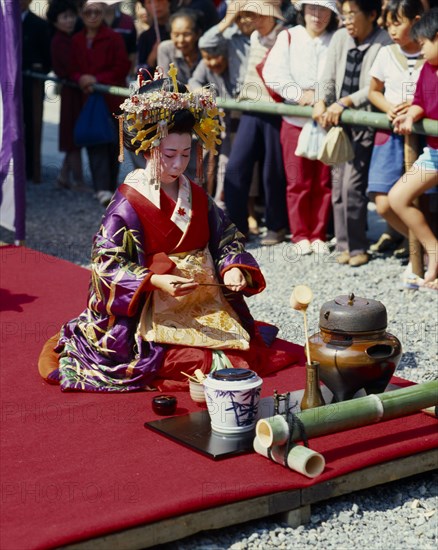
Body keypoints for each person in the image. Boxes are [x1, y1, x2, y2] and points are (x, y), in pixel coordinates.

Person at [38, 67, 299, 391]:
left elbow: (226, 240)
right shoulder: (128, 204)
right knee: (191, 360)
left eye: (187, 154)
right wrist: (155, 280)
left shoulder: (196, 194)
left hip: (203, 302)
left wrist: (233, 268)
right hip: (150, 305)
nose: (179, 165)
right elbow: (106, 266)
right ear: (147, 148)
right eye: (169, 154)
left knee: (238, 355)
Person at [312, 0, 392, 267]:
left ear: (371, 14)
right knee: (337, 187)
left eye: (351, 14)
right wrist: (322, 101)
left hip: (364, 122)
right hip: (337, 123)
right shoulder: (339, 37)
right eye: (343, 15)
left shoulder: (383, 42)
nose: (346, 20)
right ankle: (344, 244)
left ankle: (358, 246)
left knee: (353, 187)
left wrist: (345, 102)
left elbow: (373, 87)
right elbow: (328, 76)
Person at [262, 0, 339, 255]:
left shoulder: (336, 38)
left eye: (324, 9)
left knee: (324, 180)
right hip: (295, 119)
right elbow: (273, 72)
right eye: (312, 8)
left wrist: (324, 98)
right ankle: (300, 234)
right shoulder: (289, 36)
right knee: (298, 180)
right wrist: (298, 94)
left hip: (326, 119)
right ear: (303, 10)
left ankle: (318, 232)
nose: (317, 15)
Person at [223, 0, 289, 245]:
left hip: (276, 108)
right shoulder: (251, 38)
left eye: (255, 14)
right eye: (247, 14)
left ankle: (276, 226)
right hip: (250, 106)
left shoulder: (286, 36)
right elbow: (208, 42)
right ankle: (236, 227)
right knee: (235, 168)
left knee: (274, 171)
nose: (250, 20)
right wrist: (226, 20)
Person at [367, 0, 426, 257]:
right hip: (389, 134)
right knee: (383, 202)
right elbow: (373, 91)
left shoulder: (431, 53)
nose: (391, 30)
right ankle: (425, 248)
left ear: (416, 21)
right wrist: (388, 107)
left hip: (424, 136)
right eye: (388, 23)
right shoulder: (386, 53)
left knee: (426, 202)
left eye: (397, 23)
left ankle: (423, 254)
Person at [389, 8, 438, 289]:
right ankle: (433, 249)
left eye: (423, 45)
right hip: (433, 151)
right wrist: (410, 116)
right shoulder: (427, 69)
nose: (420, 51)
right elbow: (419, 100)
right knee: (397, 198)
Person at [69, 0, 131, 206]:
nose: (93, 16)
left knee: (113, 144)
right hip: (88, 100)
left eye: (97, 12)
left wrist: (97, 79)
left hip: (112, 100)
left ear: (104, 13)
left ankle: (110, 186)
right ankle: (101, 188)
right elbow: (71, 67)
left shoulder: (114, 38)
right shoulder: (76, 40)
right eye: (88, 12)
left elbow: (122, 66)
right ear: (81, 14)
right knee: (96, 143)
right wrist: (81, 78)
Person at [46, 0, 86, 191]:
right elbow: (68, 68)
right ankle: (77, 181)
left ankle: (63, 176)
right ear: (55, 21)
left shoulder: (70, 38)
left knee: (73, 137)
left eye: (71, 16)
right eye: (65, 17)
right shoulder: (58, 41)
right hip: (71, 91)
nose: (69, 20)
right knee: (73, 139)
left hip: (75, 90)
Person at [20, 0, 51, 182]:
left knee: (31, 126)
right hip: (6, 87)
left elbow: (47, 59)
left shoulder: (39, 25)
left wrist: (36, 67)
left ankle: (31, 169)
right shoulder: (4, 21)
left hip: (31, 85)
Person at [157, 8, 202, 84]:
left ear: (197, 34)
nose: (181, 40)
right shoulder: (165, 49)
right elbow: (165, 84)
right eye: (176, 35)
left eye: (187, 34)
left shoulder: (205, 51)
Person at [137, 0, 171, 76]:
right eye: (150, 2)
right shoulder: (144, 37)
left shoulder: (179, 30)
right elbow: (140, 72)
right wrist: (151, 59)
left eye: (159, 0)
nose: (156, 5)